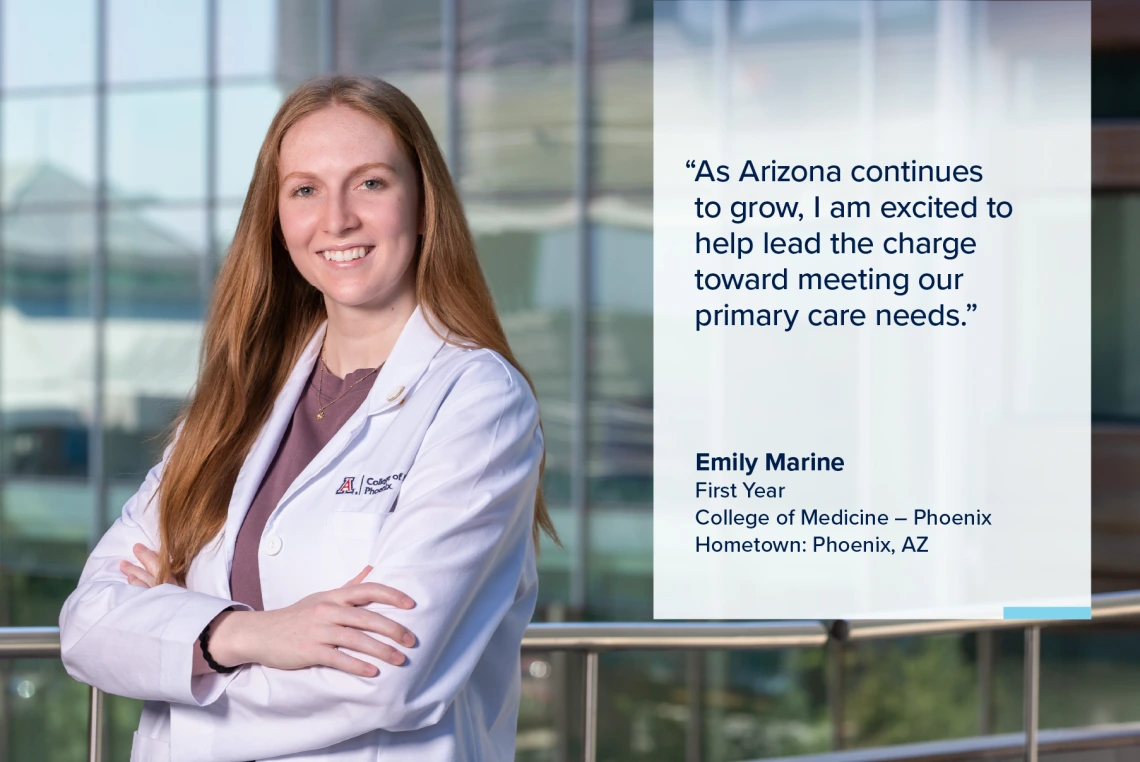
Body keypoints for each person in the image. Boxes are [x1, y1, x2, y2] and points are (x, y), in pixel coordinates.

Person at [58, 74, 558, 762]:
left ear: (423, 205)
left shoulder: (479, 400)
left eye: (371, 183)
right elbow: (86, 628)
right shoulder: (237, 401)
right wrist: (245, 634)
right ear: (278, 219)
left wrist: (174, 661)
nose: (337, 220)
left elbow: (384, 679)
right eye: (305, 190)